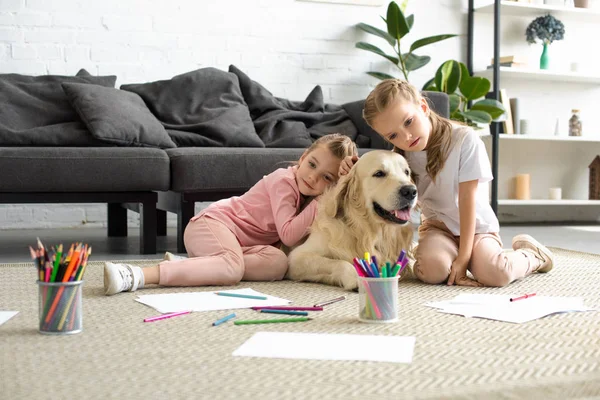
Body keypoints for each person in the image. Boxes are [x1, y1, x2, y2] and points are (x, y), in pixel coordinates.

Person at [339, 79, 553, 287]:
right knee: (432, 272)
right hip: (437, 229)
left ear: (423, 107)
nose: (406, 136)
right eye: (393, 135)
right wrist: (354, 165)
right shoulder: (402, 157)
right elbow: (380, 172)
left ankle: (532, 254)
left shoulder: (464, 140)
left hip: (477, 228)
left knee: (495, 274)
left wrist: (463, 258)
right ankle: (448, 255)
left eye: (408, 121)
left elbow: (467, 204)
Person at [104, 133, 358, 295]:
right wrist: (326, 195)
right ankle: (138, 275)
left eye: (327, 177)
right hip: (211, 225)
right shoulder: (284, 180)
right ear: (302, 158)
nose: (313, 177)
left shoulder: (307, 197)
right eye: (312, 164)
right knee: (232, 267)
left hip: (237, 245)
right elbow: (289, 235)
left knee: (278, 263)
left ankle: (197, 268)